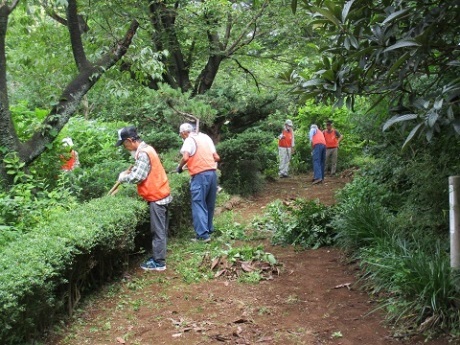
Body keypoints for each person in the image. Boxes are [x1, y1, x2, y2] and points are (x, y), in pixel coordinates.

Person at [115, 126, 172, 271]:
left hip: (157, 197)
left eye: (124, 144)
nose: (125, 147)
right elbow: (142, 170)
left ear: (129, 140)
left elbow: (138, 177)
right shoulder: (148, 149)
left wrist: (123, 178)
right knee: (161, 230)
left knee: (157, 231)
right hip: (162, 193)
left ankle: (159, 262)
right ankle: (160, 255)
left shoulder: (143, 154)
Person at [176, 123, 220, 242]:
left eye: (181, 135)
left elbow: (185, 158)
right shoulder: (206, 137)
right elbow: (216, 157)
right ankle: (209, 229)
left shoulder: (189, 140)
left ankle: (202, 236)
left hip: (200, 176)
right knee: (209, 204)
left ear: (184, 132)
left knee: (198, 204)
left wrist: (179, 168)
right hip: (212, 173)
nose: (182, 137)